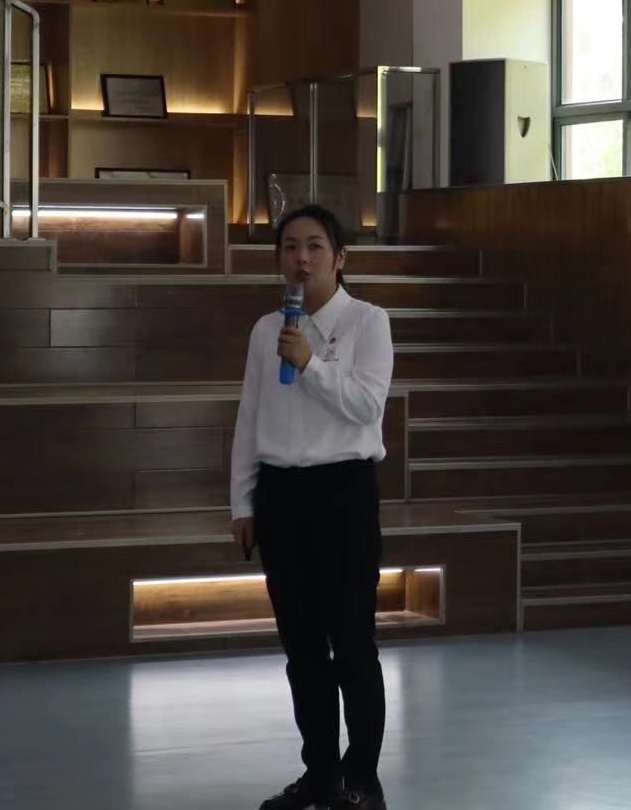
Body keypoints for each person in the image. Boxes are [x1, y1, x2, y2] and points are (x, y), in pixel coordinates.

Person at [231, 204, 394, 810]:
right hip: (281, 495)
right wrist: (243, 499)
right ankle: (319, 773)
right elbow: (249, 417)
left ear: (340, 257)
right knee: (301, 649)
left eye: (315, 246)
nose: (302, 259)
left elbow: (366, 406)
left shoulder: (368, 322)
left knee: (351, 642)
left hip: (343, 493)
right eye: (290, 247)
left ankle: (362, 781)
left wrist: (310, 364)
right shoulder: (264, 329)